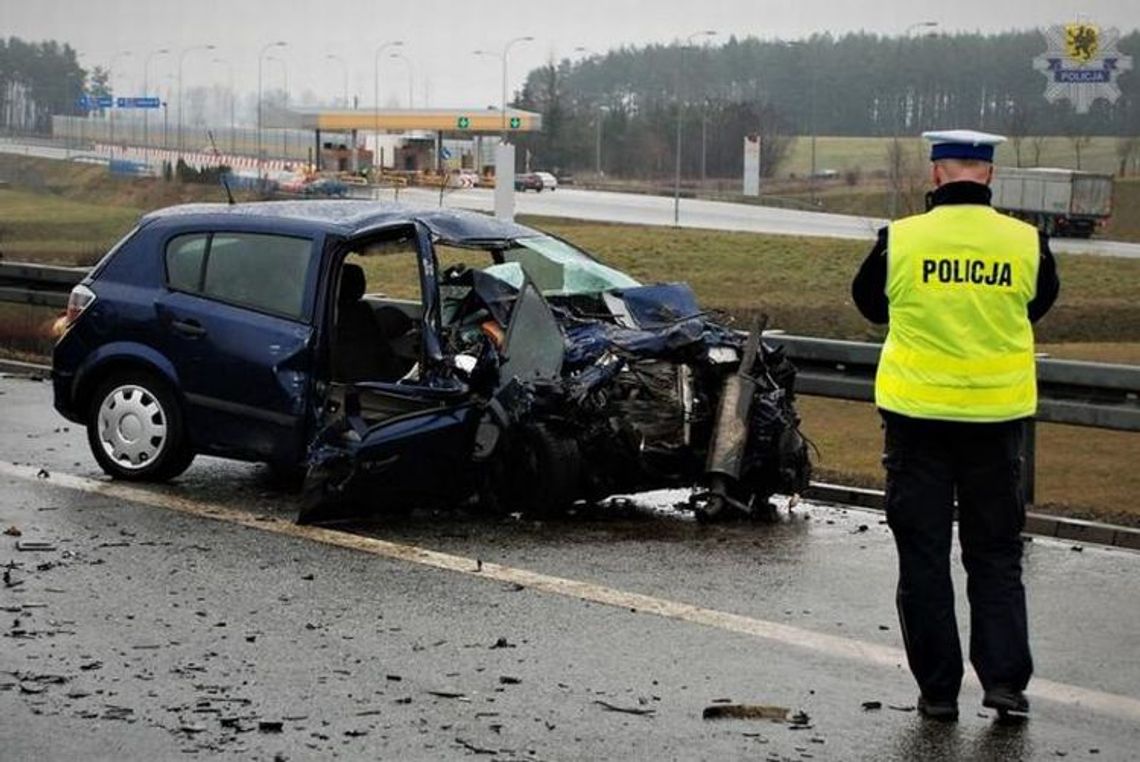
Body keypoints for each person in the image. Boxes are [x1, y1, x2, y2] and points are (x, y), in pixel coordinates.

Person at [851, 129, 1060, 722]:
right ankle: (1005, 683)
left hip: (917, 424)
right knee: (995, 555)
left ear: (936, 174)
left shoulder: (901, 240)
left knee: (924, 556)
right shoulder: (1027, 243)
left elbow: (870, 305)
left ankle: (939, 693)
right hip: (996, 424)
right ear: (989, 176)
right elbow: (1037, 304)